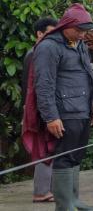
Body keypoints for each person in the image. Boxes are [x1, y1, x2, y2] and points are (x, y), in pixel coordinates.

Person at [34, 3, 93, 211]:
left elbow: (89, 76)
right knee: (64, 157)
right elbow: (44, 85)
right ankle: (64, 205)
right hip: (63, 112)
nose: (82, 35)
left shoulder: (80, 45)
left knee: (77, 155)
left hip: (82, 110)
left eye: (84, 31)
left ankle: (74, 199)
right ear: (65, 25)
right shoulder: (48, 47)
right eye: (78, 30)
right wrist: (51, 117)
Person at [21, 18, 56, 203]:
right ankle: (41, 191)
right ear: (39, 34)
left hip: (44, 108)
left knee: (50, 148)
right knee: (42, 149)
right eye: (49, 33)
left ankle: (48, 189)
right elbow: (30, 88)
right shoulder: (33, 54)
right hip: (37, 109)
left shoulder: (44, 52)